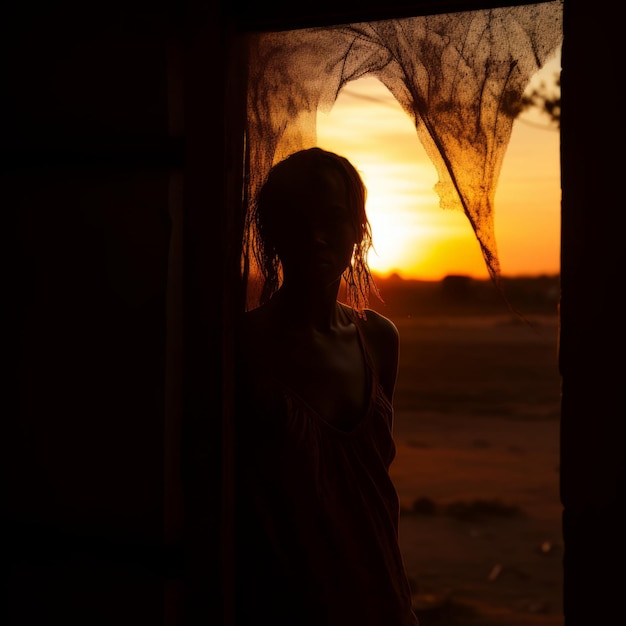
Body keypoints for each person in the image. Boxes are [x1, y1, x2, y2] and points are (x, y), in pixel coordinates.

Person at [234, 147, 419, 626]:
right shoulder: (243, 347)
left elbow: (370, 485)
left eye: (333, 219)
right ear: (272, 234)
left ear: (358, 229)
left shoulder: (379, 340)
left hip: (384, 601)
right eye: (296, 220)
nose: (316, 237)